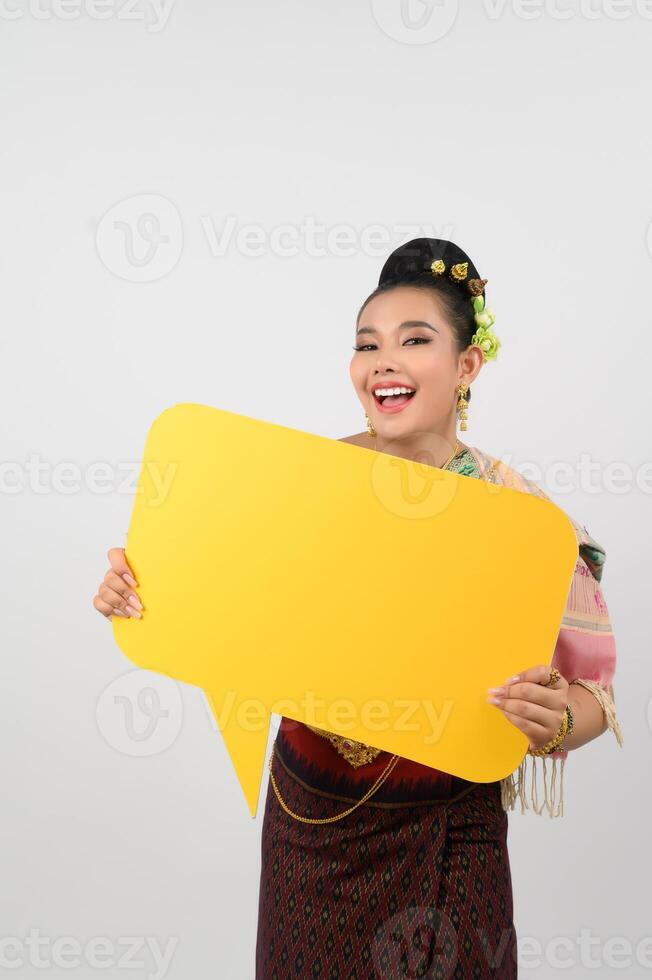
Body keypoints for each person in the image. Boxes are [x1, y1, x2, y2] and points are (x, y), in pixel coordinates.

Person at [92, 238, 623, 979]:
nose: (384, 360)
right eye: (366, 344)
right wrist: (139, 594)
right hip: (310, 821)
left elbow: (596, 697)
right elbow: (215, 601)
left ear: (467, 365)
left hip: (447, 832)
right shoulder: (301, 484)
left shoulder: (520, 522)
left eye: (415, 340)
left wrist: (556, 718)